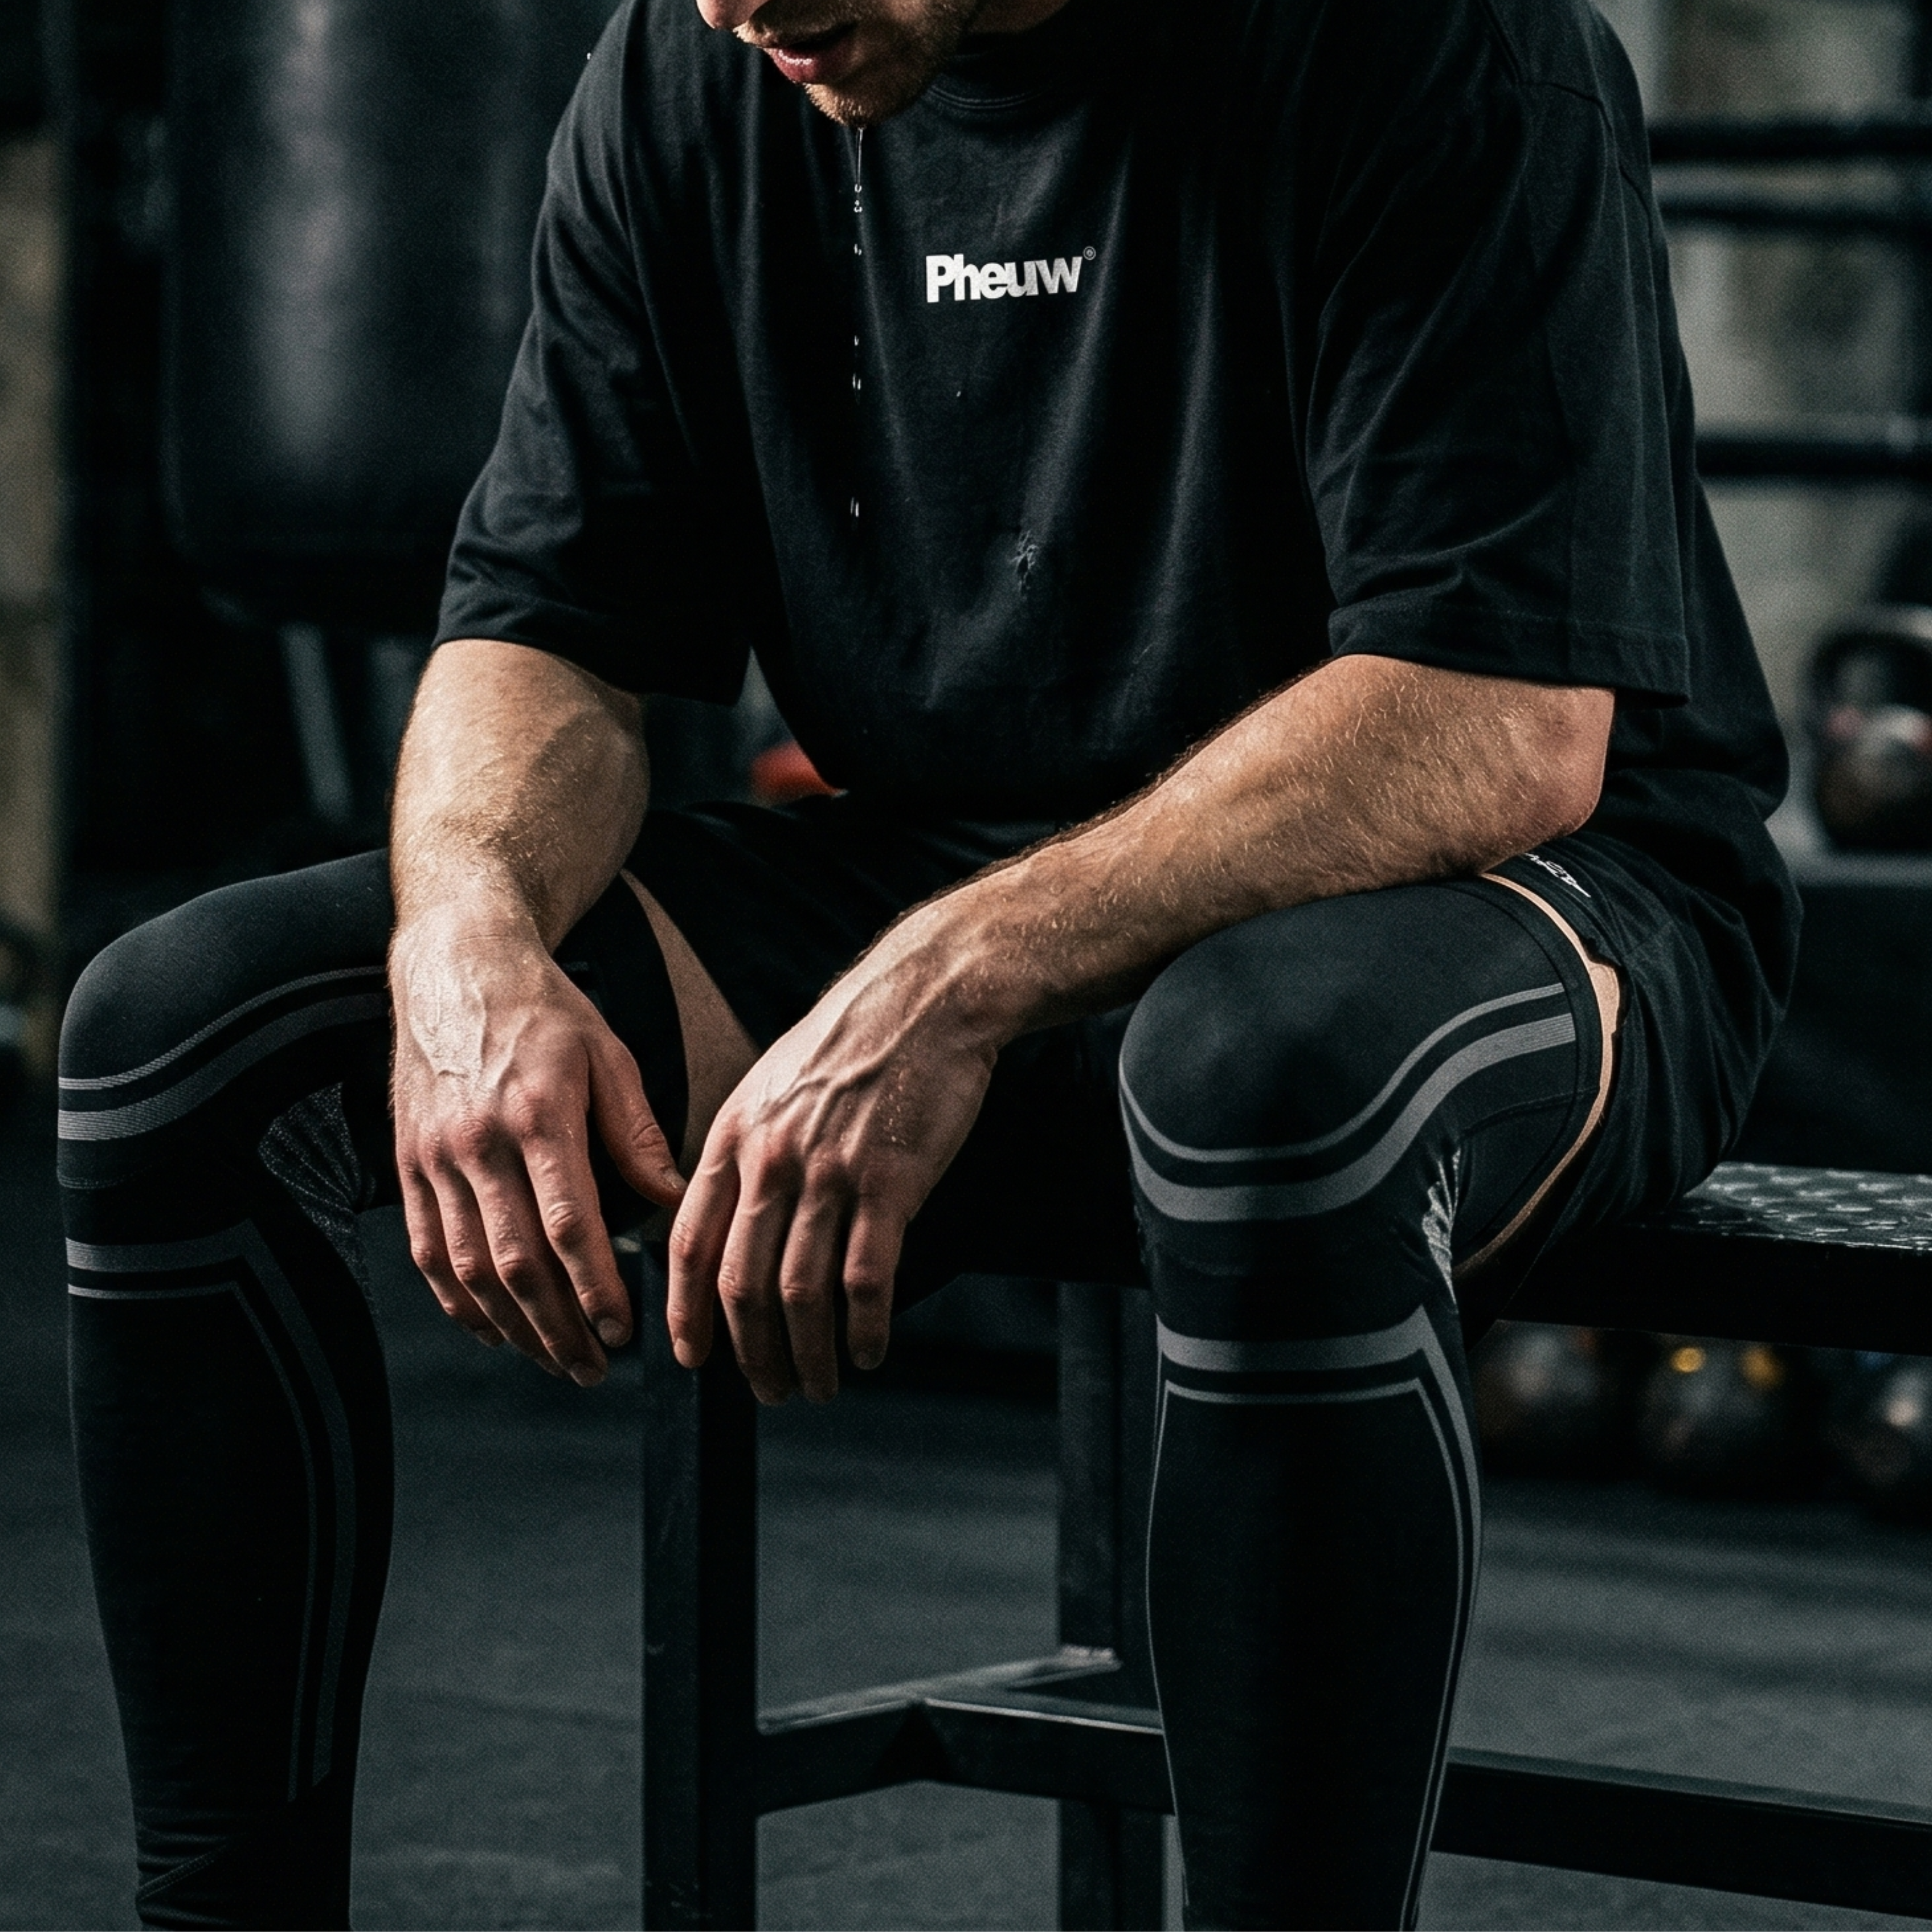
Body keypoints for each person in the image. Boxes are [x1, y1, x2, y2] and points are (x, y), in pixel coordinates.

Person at [60, 0, 1799, 1922]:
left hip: (1506, 888)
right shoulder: (693, 70)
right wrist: (464, 942)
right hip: (938, 876)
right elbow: (549, 624)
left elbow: (1498, 721)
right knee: (180, 1037)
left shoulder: (1437, 51)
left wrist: (950, 976)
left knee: (1257, 1079)